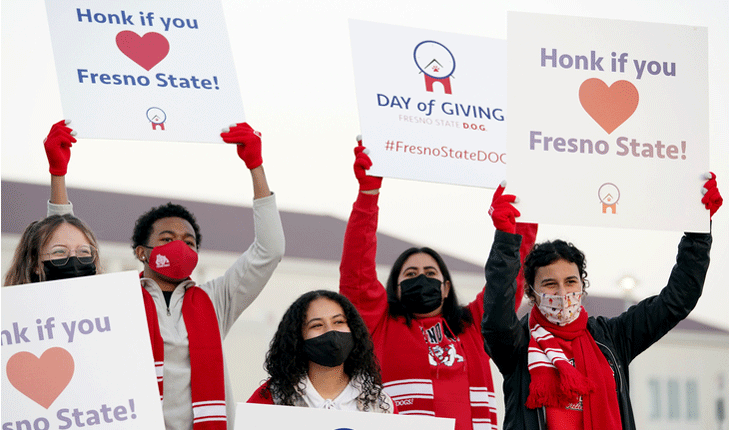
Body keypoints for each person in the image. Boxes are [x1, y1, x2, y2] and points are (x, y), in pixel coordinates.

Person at [40, 119, 286, 430]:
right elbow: (67, 266)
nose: (179, 247)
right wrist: (58, 176)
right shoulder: (115, 297)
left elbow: (270, 251)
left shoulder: (216, 299)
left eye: (189, 242)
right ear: (142, 252)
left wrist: (256, 167)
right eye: (167, 239)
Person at [481, 175, 722, 430]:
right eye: (550, 284)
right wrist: (506, 240)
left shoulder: (612, 337)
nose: (563, 292)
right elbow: (495, 316)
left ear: (582, 286)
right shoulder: (517, 344)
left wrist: (698, 234)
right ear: (531, 293)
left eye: (571, 281)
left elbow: (678, 300)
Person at [338, 138, 538, 430]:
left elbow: (510, 277)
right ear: (395, 289)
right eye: (410, 274)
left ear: (446, 288)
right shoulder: (380, 327)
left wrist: (518, 218)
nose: (421, 277)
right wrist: (368, 194)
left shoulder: (476, 325)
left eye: (431, 273)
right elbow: (357, 270)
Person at [248, 289, 395, 413]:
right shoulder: (272, 397)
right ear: (297, 338)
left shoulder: (380, 403)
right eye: (317, 325)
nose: (330, 331)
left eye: (338, 322)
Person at [4, 120, 100, 286]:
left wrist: (59, 172)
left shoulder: (112, 304)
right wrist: (57, 173)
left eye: (84, 251)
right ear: (34, 263)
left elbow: (62, 230)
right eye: (59, 252)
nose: (73, 260)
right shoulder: (13, 310)